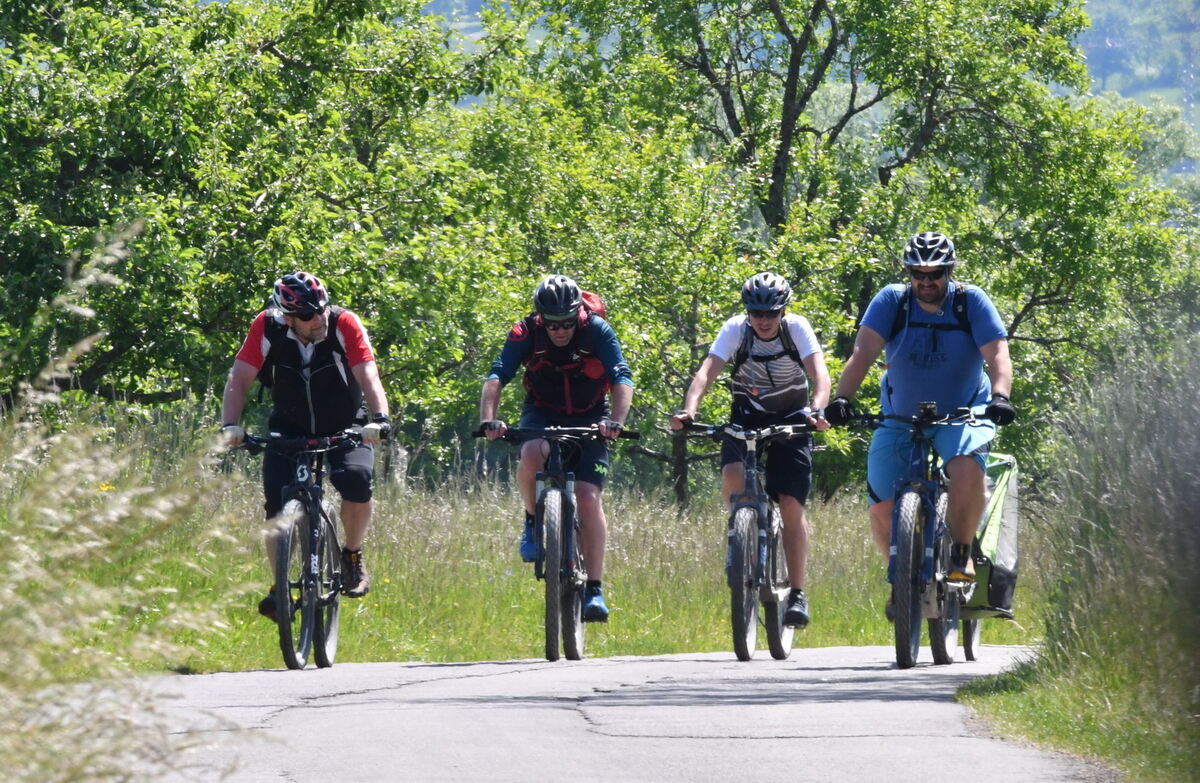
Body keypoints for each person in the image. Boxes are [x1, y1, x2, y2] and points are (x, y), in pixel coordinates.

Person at [823, 232, 1016, 610]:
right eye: (918, 274)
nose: (926, 282)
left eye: (935, 274)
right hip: (900, 414)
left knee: (964, 468)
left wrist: (1001, 397)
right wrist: (842, 399)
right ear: (908, 273)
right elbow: (862, 353)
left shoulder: (970, 301)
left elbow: (998, 355)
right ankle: (901, 579)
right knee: (881, 503)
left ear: (950, 272)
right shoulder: (892, 302)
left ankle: (961, 553)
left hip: (964, 411)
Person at [220, 271, 391, 619]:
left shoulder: (343, 323)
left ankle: (352, 557)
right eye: (308, 315)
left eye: (321, 309)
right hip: (290, 424)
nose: (319, 319)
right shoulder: (267, 327)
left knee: (356, 478)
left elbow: (367, 373)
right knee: (276, 503)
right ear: (288, 317)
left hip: (347, 422)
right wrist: (230, 426)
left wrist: (380, 419)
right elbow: (239, 376)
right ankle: (280, 586)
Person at [669, 272, 831, 628]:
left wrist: (818, 411)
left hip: (793, 419)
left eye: (770, 313)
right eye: (756, 313)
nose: (763, 320)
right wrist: (689, 410)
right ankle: (740, 535)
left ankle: (799, 593)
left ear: (783, 311)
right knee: (732, 475)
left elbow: (820, 375)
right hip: (747, 416)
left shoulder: (797, 329)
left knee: (790, 502)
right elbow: (706, 374)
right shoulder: (735, 330)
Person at [479, 274, 634, 623]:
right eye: (552, 324)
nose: (560, 330)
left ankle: (595, 588)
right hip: (542, 411)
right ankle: (533, 521)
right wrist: (489, 419)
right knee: (531, 453)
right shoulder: (525, 333)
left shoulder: (597, 330)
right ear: (540, 318)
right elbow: (497, 375)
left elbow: (622, 376)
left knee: (588, 497)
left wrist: (617, 422)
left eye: (566, 323)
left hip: (592, 416)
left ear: (578, 314)